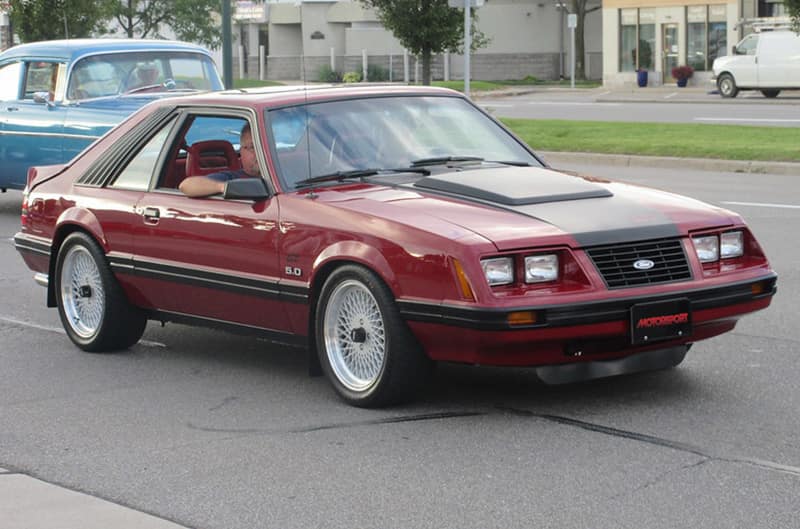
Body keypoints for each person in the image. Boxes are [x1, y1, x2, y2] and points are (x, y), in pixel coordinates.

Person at [179, 123, 261, 197]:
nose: (260, 153)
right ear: (242, 152)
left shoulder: (273, 176)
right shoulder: (232, 177)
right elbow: (186, 185)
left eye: (263, 147)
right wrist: (226, 187)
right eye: (253, 147)